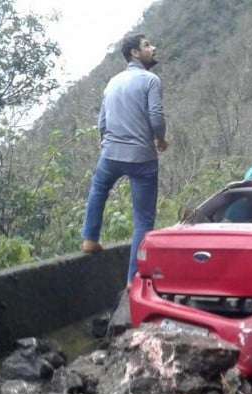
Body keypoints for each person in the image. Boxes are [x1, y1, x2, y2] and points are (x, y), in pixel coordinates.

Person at [80, 33, 169, 284]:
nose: (153, 48)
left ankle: (90, 239)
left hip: (110, 152)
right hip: (142, 157)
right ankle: (134, 279)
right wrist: (160, 139)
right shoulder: (151, 80)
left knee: (99, 189)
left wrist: (103, 140)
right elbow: (156, 116)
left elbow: (102, 120)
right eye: (147, 45)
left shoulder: (112, 82)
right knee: (143, 219)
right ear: (134, 53)